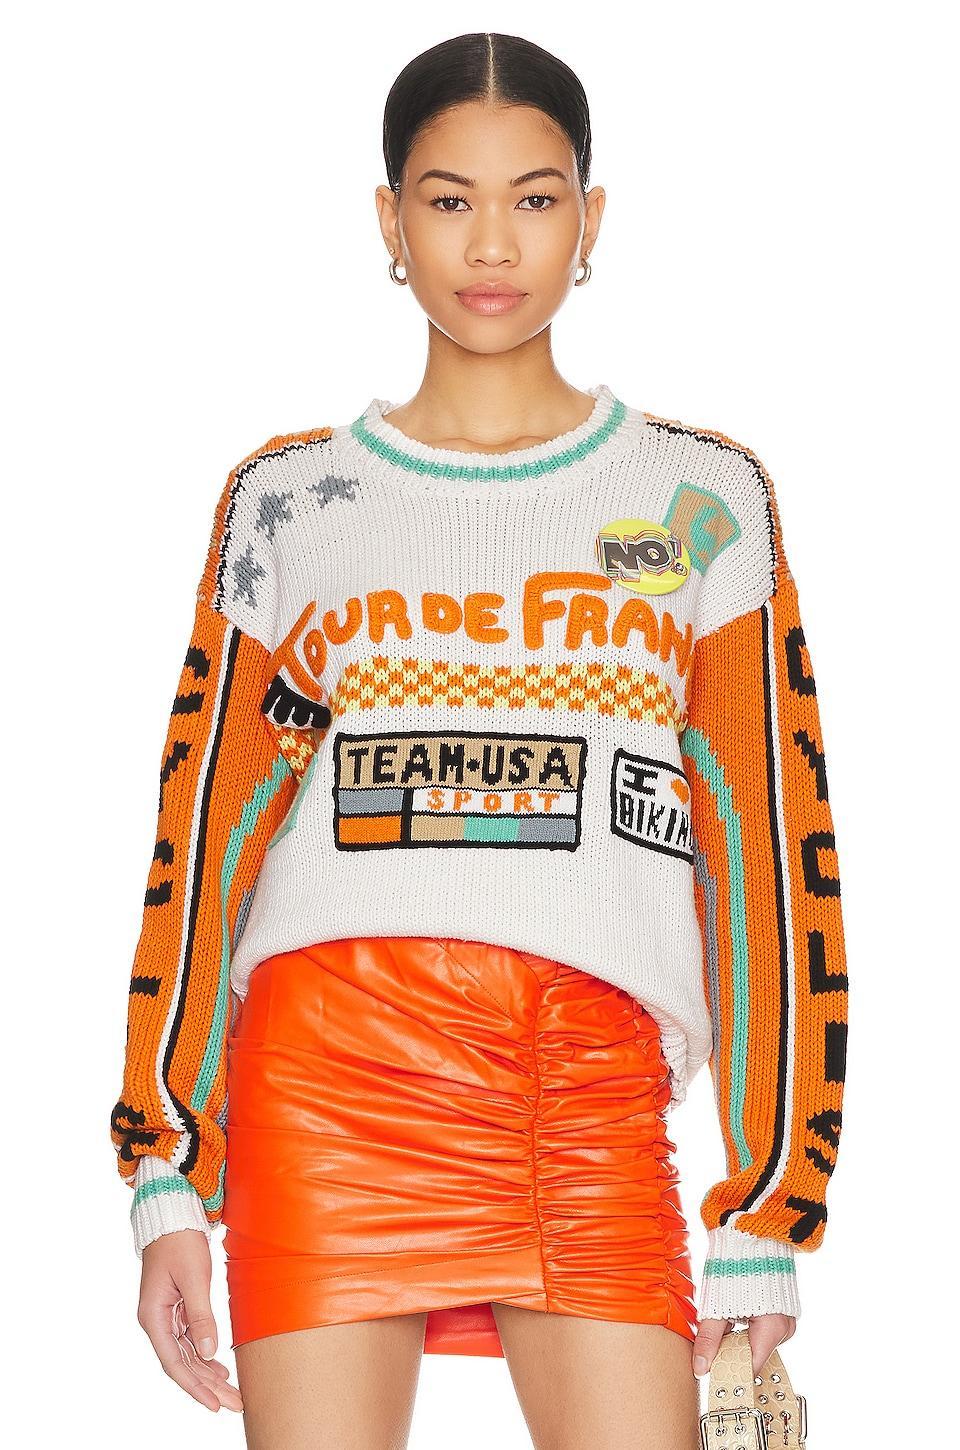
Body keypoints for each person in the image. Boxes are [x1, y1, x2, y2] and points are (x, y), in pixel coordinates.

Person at [109, 30, 848, 1450]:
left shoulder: (702, 501)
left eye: (536, 198)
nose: (492, 242)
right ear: (390, 221)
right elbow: (204, 838)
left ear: (592, 218)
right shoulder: (290, 502)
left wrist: (767, 1206)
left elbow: (768, 851)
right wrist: (165, 1169)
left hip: (586, 1080)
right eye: (448, 200)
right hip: (327, 1078)